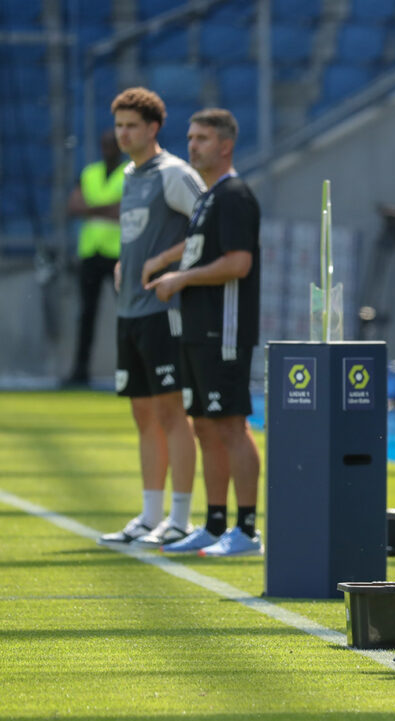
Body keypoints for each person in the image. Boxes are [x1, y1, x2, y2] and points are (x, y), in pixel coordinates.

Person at [144, 109, 264, 557]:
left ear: (225, 145)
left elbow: (238, 264)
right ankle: (215, 524)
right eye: (190, 137)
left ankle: (247, 529)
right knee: (204, 428)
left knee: (231, 424)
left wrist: (181, 279)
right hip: (198, 330)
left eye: (202, 138)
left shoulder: (234, 194)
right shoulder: (209, 198)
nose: (192, 145)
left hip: (224, 329)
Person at [97, 88, 202, 549]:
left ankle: (180, 518)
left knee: (172, 412)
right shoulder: (128, 174)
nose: (123, 133)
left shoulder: (174, 173)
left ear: (153, 128)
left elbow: (207, 225)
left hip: (165, 311)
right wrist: (128, 261)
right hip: (129, 311)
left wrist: (163, 262)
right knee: (144, 416)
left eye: (131, 125)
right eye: (119, 124)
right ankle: (149, 514)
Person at [65, 130, 127, 386]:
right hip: (91, 253)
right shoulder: (90, 173)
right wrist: (107, 208)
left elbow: (124, 211)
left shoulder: (130, 174)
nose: (108, 149)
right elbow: (73, 207)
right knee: (86, 315)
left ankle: (129, 370)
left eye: (112, 145)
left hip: (117, 255)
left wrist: (91, 210)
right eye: (104, 145)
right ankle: (80, 372)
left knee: (126, 315)